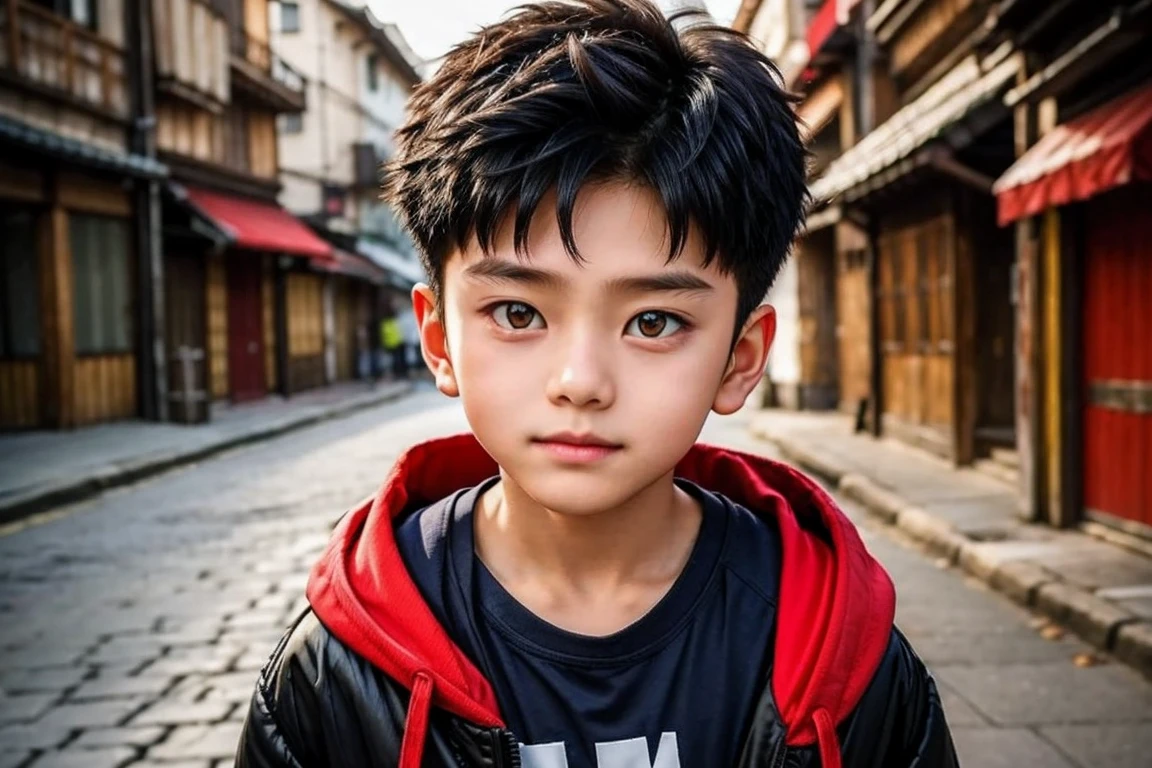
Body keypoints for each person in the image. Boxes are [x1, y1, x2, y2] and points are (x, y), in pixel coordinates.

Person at [237, 2, 957, 767]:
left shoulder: (843, 658)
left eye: (653, 322)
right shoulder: (336, 672)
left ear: (740, 359)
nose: (580, 382)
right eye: (517, 311)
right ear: (440, 339)